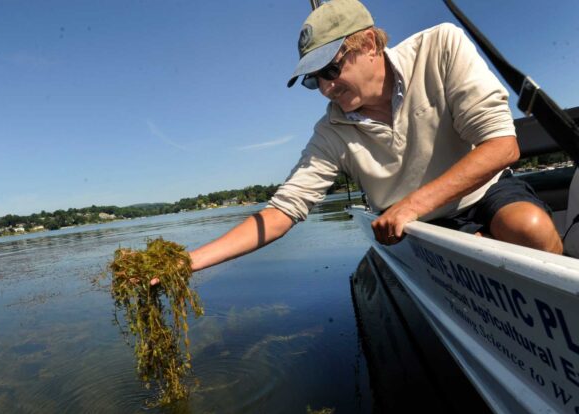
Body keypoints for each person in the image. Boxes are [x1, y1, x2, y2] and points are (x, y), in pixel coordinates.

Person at [186, 0, 563, 277]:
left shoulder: (441, 47)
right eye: (313, 79)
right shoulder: (331, 132)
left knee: (531, 228)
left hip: (482, 194)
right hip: (417, 232)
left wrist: (412, 203)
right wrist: (188, 263)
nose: (326, 88)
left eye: (331, 69)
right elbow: (282, 212)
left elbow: (502, 145)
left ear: (369, 44)